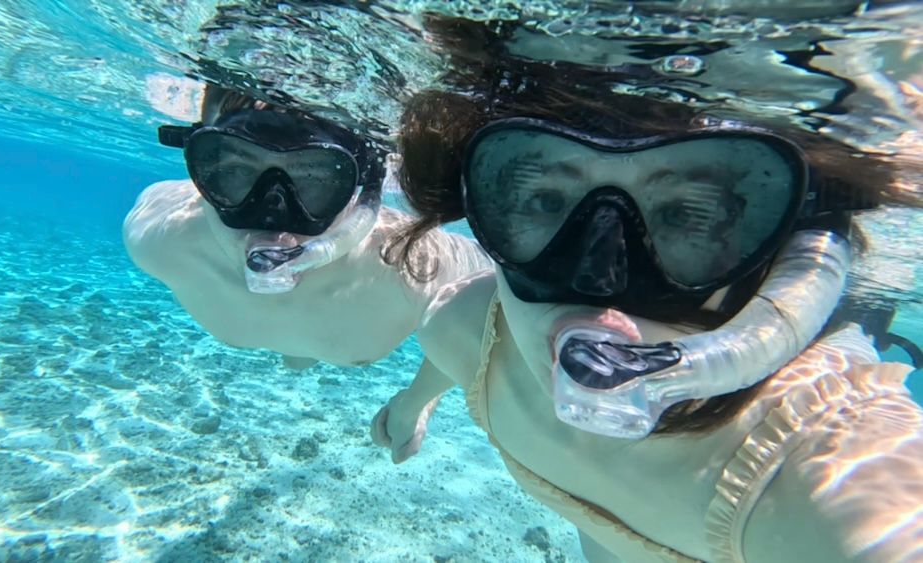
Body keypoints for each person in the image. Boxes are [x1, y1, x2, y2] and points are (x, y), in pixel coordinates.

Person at [370, 77, 923, 562]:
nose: (599, 279)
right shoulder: (463, 326)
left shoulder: (830, 468)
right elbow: (458, 355)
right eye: (544, 202)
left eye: (685, 215)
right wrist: (413, 404)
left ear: (789, 257)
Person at [123, 85, 491, 369]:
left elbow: (481, 306)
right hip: (325, 338)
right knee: (301, 355)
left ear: (365, 190)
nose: (273, 211)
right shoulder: (161, 240)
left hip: (330, 334)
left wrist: (417, 402)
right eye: (234, 171)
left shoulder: (413, 269)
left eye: (315, 179)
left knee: (303, 356)